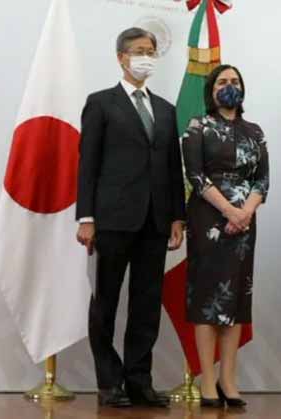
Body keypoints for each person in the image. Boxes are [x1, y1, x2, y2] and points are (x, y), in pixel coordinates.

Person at [75, 27, 186, 408]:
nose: (146, 57)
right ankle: (109, 382)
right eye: (139, 51)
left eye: (151, 51)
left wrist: (177, 217)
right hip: (112, 219)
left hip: (156, 222)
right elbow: (88, 164)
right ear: (121, 57)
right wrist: (86, 217)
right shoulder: (100, 103)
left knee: (146, 304)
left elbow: (173, 167)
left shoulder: (166, 109)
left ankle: (139, 381)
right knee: (105, 302)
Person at [181, 64, 269, 408]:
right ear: (211, 90)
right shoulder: (198, 126)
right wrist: (229, 211)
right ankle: (207, 379)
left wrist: (244, 212)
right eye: (222, 81)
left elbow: (262, 180)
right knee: (207, 297)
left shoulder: (254, 131)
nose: (229, 86)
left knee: (236, 299)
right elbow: (196, 175)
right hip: (208, 219)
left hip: (245, 223)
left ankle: (228, 380)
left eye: (234, 81)